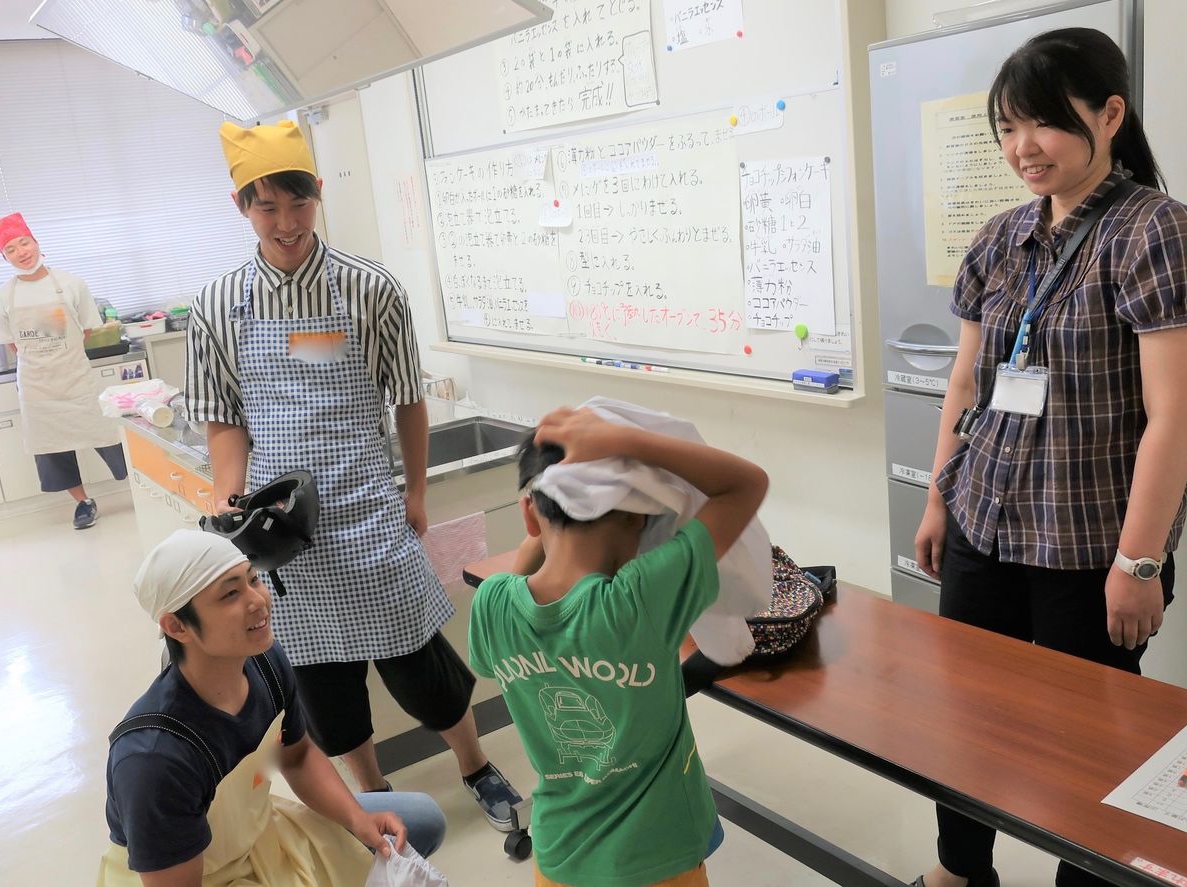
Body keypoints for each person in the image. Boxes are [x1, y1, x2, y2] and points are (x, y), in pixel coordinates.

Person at [911, 29, 1187, 887]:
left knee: (1089, 745)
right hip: (983, 519)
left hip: (1088, 547)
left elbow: (1176, 416)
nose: (1023, 146)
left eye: (1045, 123)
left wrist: (1140, 561)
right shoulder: (1001, 236)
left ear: (1110, 114)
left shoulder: (1160, 234)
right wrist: (940, 499)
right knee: (968, 715)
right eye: (1007, 127)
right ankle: (958, 870)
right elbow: (968, 382)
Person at [185, 119, 521, 827]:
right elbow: (225, 421)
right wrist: (228, 503)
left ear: (318, 194)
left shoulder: (370, 289)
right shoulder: (217, 306)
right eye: (268, 207)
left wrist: (417, 492)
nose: (287, 223)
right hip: (283, 539)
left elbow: (408, 399)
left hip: (367, 512)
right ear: (240, 206)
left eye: (299, 202)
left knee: (421, 666)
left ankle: (475, 763)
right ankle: (373, 797)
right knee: (323, 686)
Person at [468, 407, 769, 886]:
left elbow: (518, 592)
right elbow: (746, 484)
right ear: (644, 522)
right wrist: (626, 441)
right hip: (659, 857)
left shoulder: (492, 603)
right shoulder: (641, 599)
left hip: (559, 856)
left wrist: (540, 524)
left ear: (529, 514)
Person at [98, 530, 445, 886]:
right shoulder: (154, 758)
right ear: (176, 625)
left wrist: (357, 819)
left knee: (423, 820)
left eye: (253, 580)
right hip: (197, 874)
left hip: (256, 835)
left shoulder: (265, 662)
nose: (258, 601)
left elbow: (297, 756)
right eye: (231, 594)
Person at [0, 212, 127, 528]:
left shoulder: (71, 284)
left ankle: (142, 483)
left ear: (36, 242)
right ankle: (83, 502)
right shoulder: (2, 297)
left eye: (24, 243)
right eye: (10, 249)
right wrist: (43, 355)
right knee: (51, 446)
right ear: (4, 257)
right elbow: (11, 343)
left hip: (76, 376)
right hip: (37, 384)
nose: (21, 252)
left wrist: (61, 353)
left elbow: (85, 330)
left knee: (106, 433)